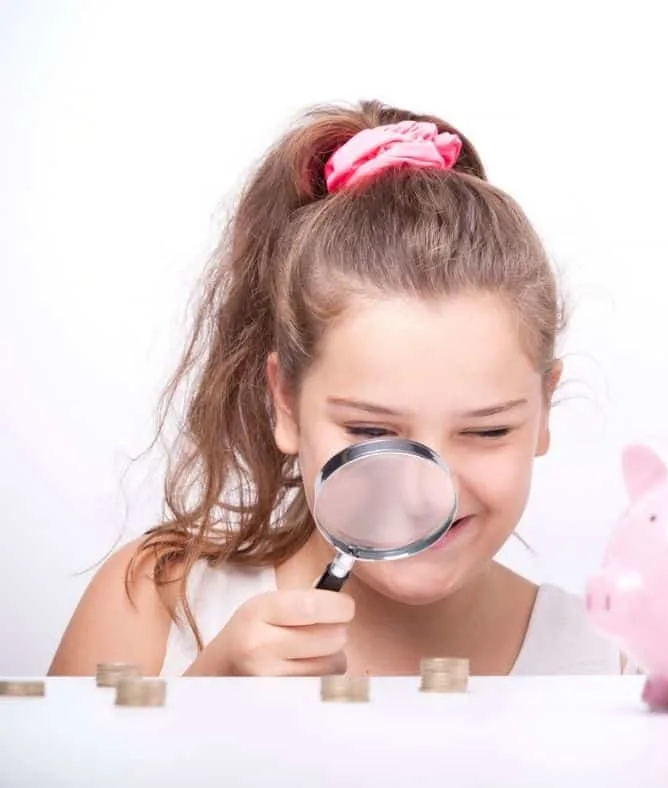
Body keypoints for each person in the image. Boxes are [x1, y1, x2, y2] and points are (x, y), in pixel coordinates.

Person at [48, 99, 628, 678]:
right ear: (286, 406)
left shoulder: (605, 662)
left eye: (486, 430)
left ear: (544, 410)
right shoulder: (156, 606)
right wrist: (206, 701)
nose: (428, 490)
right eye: (372, 431)